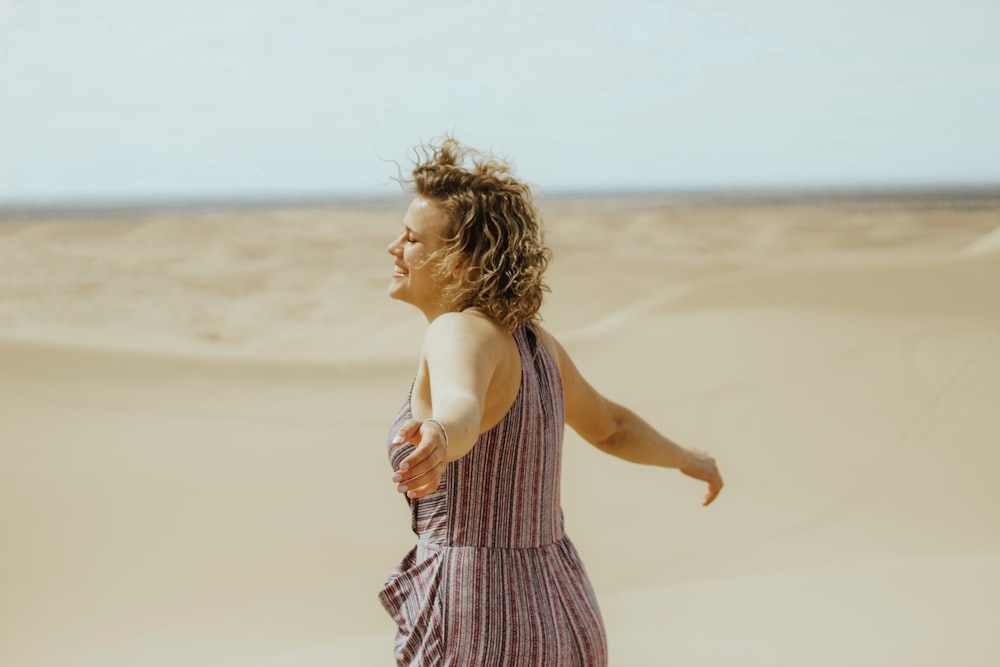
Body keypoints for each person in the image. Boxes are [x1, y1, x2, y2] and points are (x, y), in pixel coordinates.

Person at [378, 136, 723, 667]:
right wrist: (688, 458)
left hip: (481, 616)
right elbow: (611, 427)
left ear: (464, 263)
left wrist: (442, 434)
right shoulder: (533, 343)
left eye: (412, 239)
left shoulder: (455, 331)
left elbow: (461, 404)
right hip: (562, 608)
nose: (394, 249)